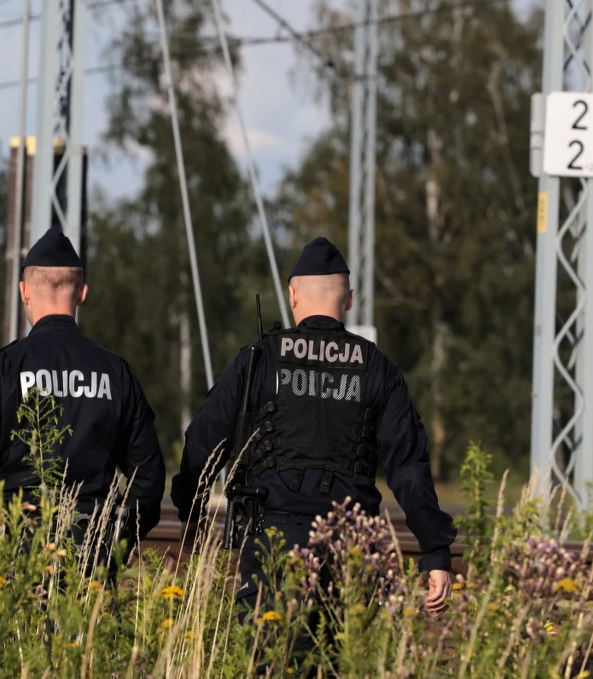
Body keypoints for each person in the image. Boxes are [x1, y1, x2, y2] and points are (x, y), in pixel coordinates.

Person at [171, 236, 455, 614]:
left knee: (265, 661)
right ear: (349, 300)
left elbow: (203, 444)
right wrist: (435, 551)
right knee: (333, 666)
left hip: (271, 538)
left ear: (292, 296)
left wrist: (191, 514)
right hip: (347, 545)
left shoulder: (258, 359)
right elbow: (407, 467)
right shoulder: (378, 368)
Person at [0, 227, 166, 565]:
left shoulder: (1, 370)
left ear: (24, 291)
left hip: (12, 549)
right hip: (90, 549)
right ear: (82, 293)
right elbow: (148, 479)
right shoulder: (115, 373)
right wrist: (115, 541)